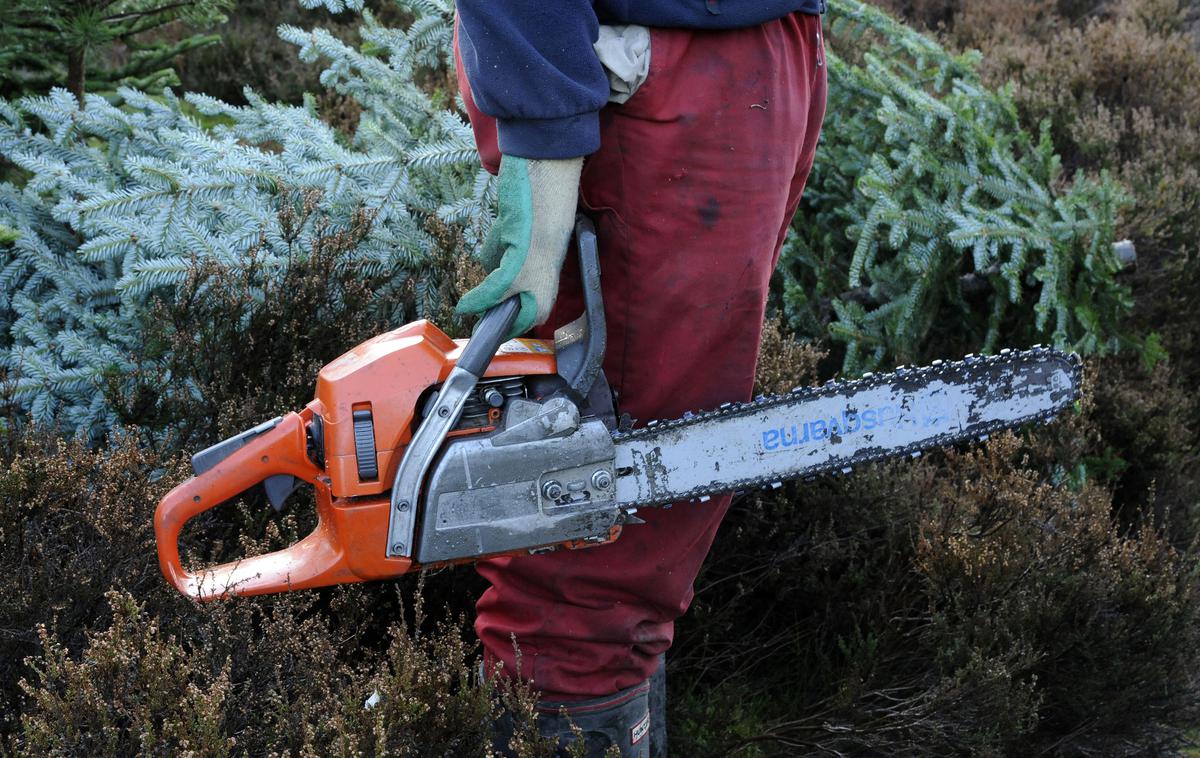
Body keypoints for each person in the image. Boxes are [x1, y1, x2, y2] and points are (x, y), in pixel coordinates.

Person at [453, 2, 828, 754]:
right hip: (643, 75)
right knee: (587, 552)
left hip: (757, 54)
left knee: (650, 534)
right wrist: (544, 145)